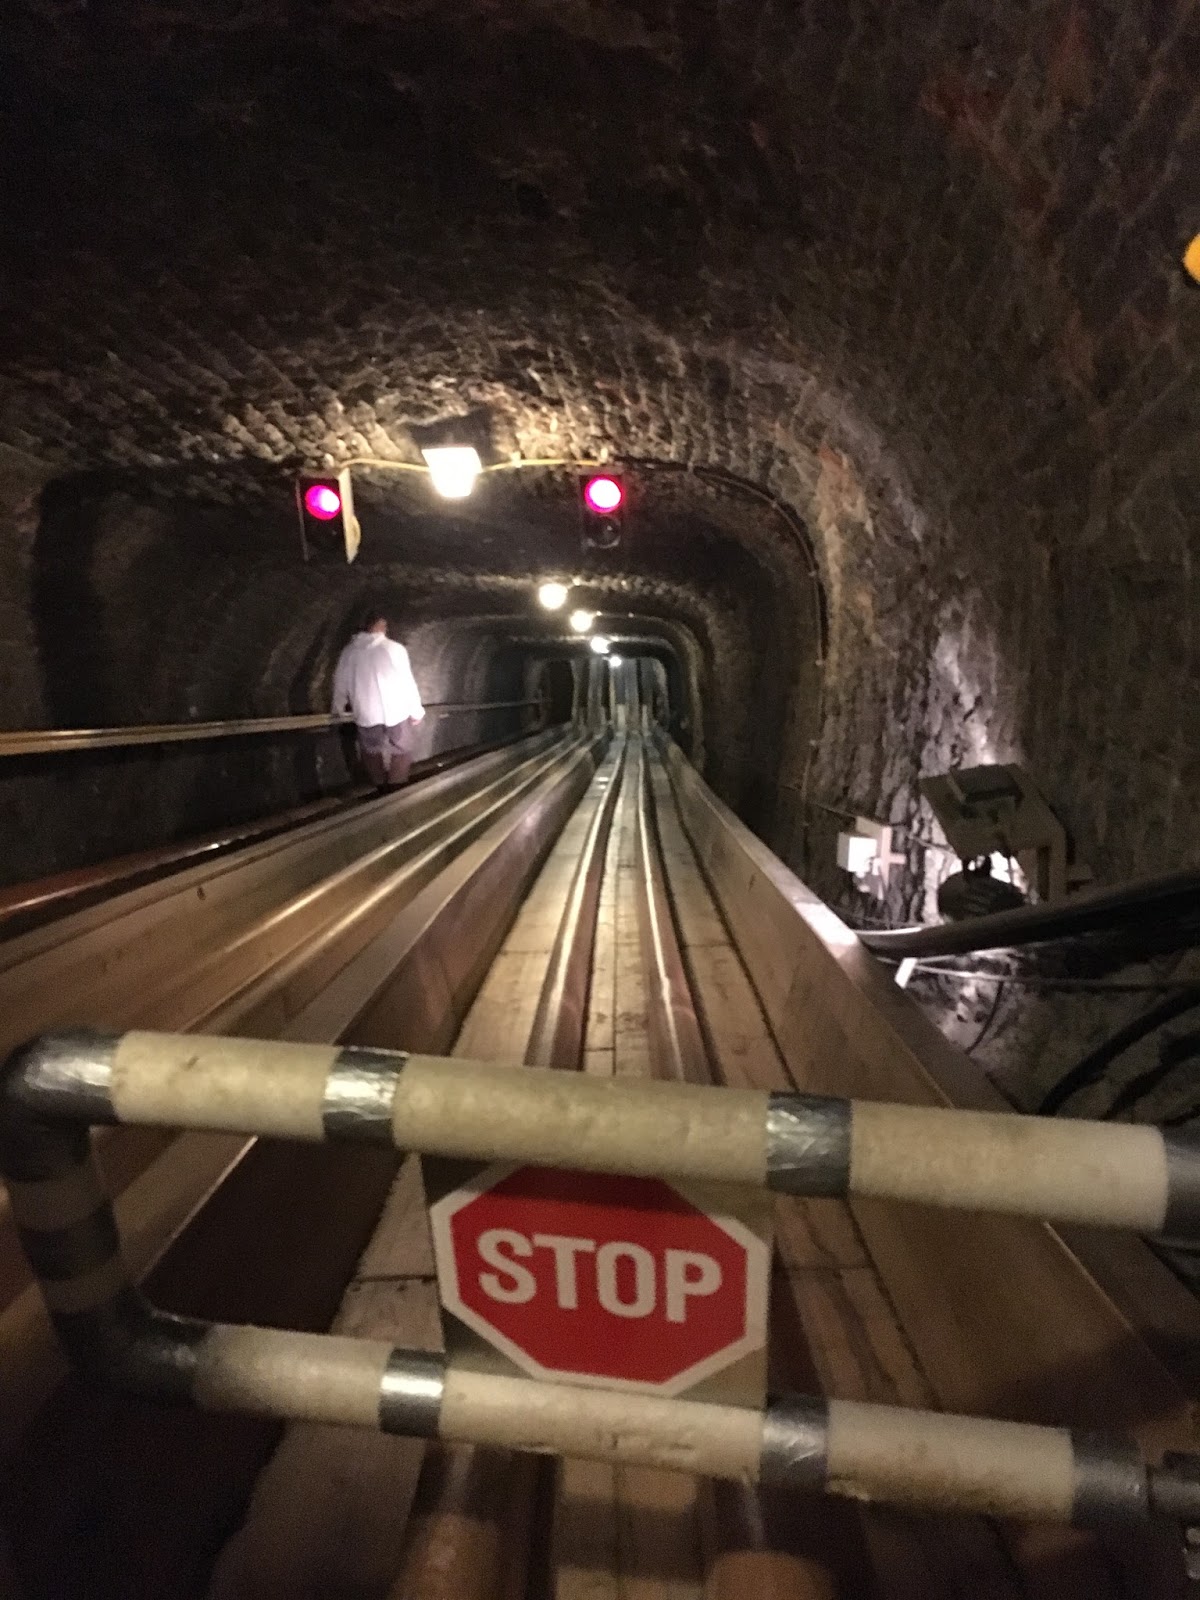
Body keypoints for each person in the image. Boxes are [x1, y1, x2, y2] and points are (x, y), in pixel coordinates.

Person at [332, 610, 425, 789]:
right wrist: (416, 711)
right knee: (403, 749)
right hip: (396, 711)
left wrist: (337, 709)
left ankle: (380, 787)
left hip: (366, 713)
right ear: (381, 626)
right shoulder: (394, 648)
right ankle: (396, 788)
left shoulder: (349, 652)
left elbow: (340, 683)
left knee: (371, 751)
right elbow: (407, 682)